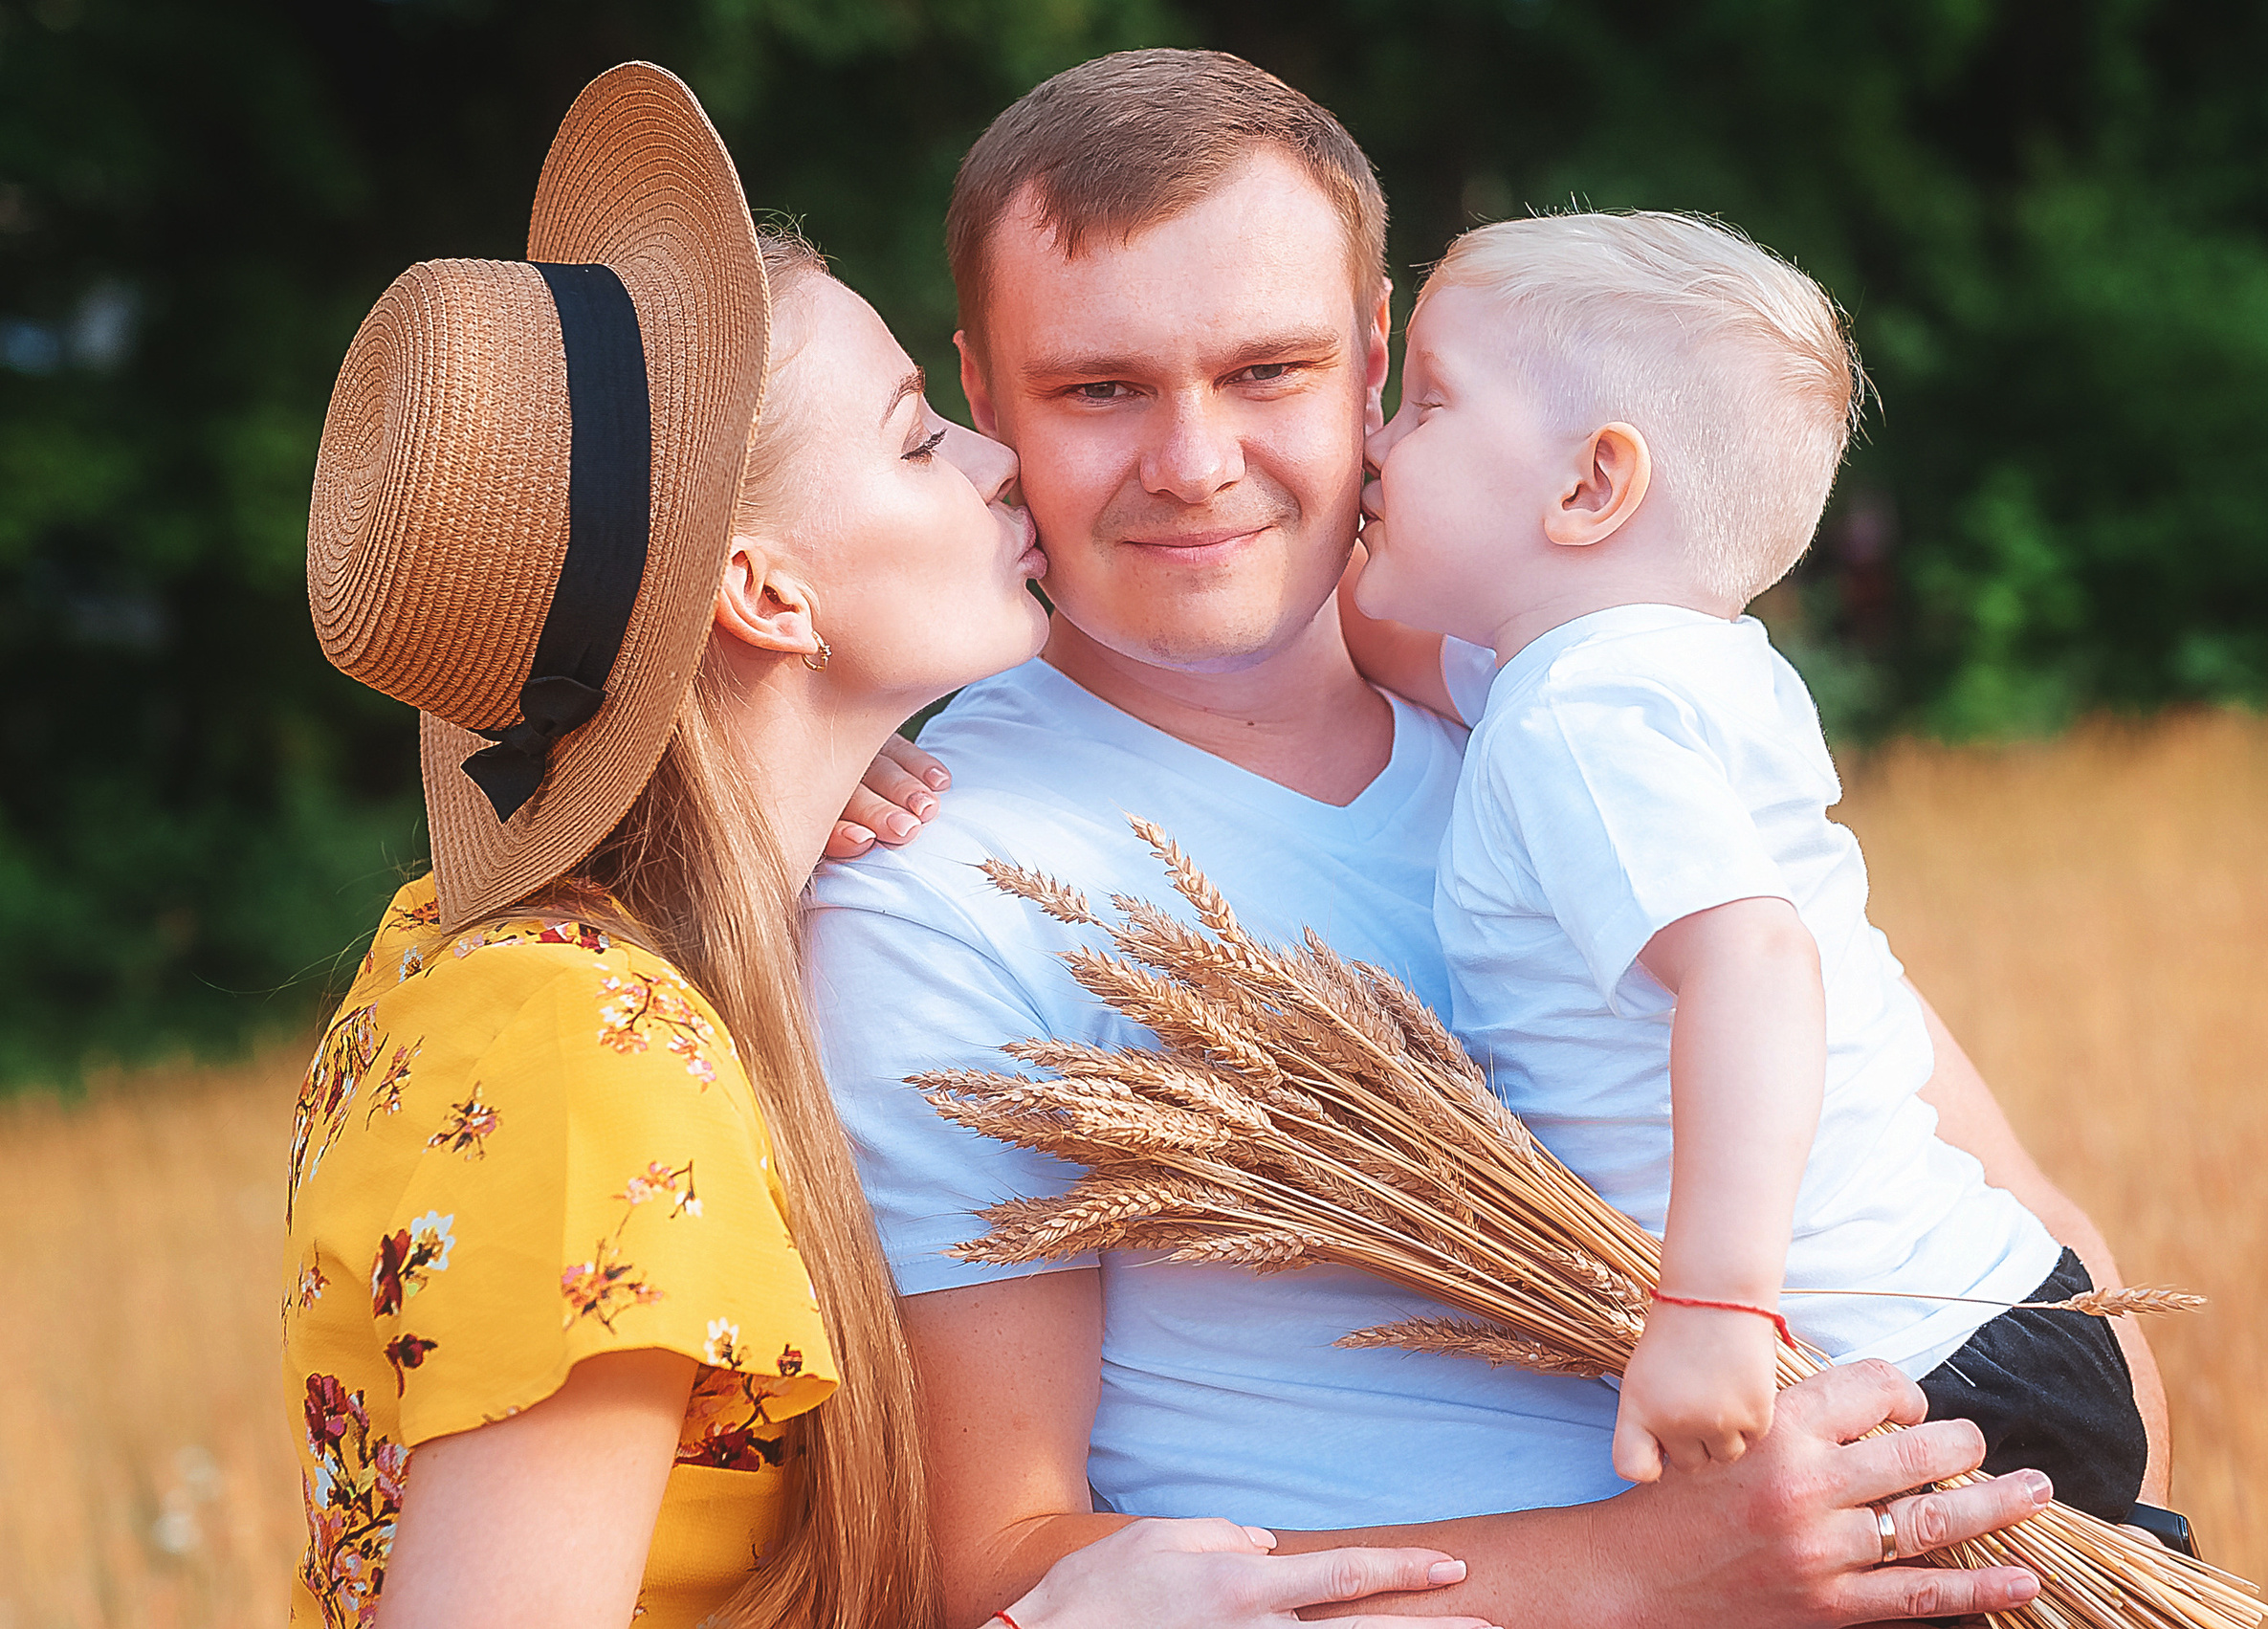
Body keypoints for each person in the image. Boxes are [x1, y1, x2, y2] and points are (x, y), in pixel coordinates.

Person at [809, 47, 2158, 1628]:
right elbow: (989, 1566)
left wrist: (2076, 1534)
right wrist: (1656, 1574)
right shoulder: (939, 886)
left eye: (1268, 373)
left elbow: (2040, 1240)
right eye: (1099, 389)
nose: (1194, 463)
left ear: (1380, 361)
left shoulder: (1551, 703)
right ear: (985, 393)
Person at [281, 61, 1498, 1629]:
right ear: (770, 598)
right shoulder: (587, 1042)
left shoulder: (499, 973)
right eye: (924, 438)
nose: (998, 475)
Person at [1338, 209, 2154, 1519]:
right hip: (1983, 1313)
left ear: (1591, 486)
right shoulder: (1648, 665)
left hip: (1909, 1381)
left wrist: (1715, 1304)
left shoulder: (1580, 718)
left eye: (1422, 404)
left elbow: (1755, 965)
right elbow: (1390, 643)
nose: (1369, 442)